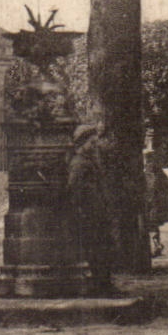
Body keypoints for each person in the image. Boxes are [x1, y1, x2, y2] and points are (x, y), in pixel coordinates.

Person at [67, 123, 115, 295]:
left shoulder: (89, 162)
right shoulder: (79, 164)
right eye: (91, 143)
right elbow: (75, 190)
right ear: (81, 144)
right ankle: (100, 287)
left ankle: (104, 285)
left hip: (97, 213)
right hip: (89, 215)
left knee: (103, 250)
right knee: (97, 252)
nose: (94, 146)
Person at [143, 148, 168, 257]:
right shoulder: (157, 170)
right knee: (152, 224)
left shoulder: (150, 170)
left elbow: (165, 185)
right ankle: (156, 245)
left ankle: (156, 246)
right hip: (153, 202)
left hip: (151, 202)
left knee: (150, 224)